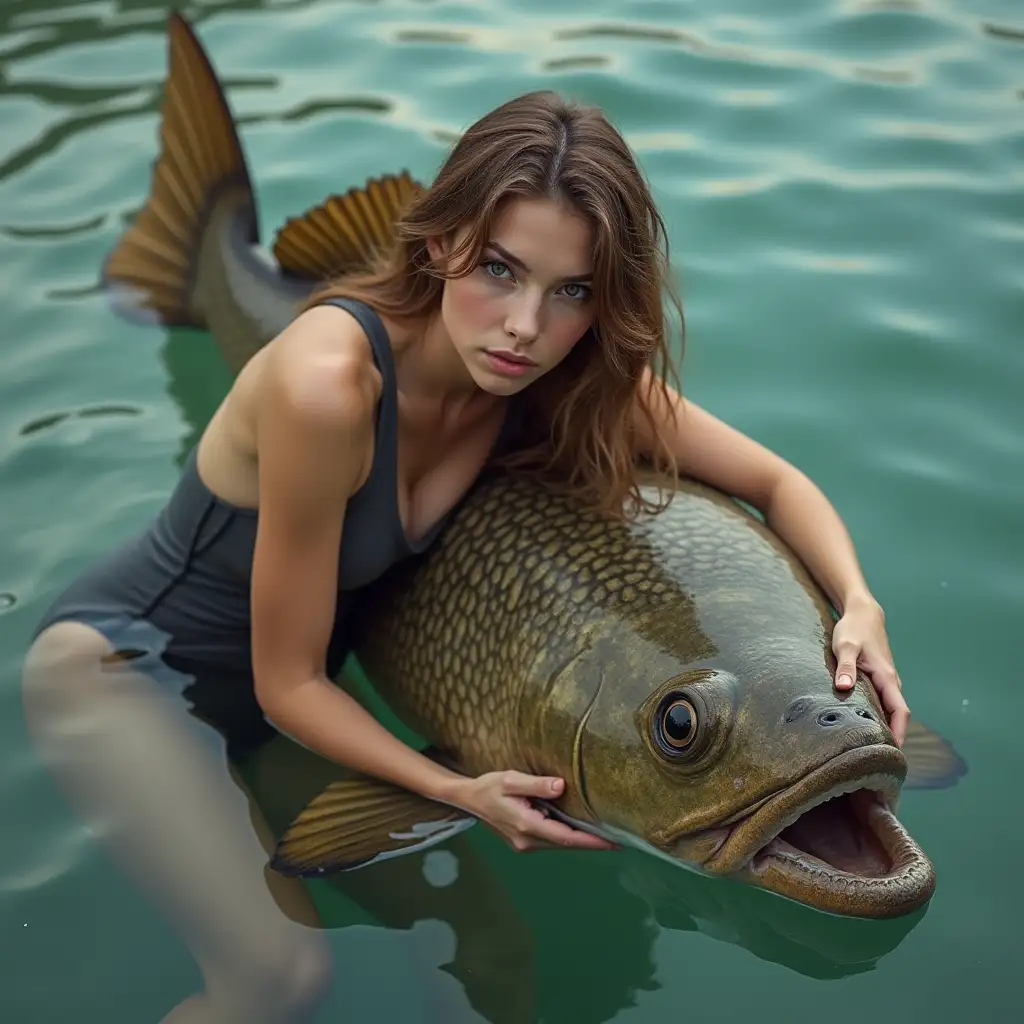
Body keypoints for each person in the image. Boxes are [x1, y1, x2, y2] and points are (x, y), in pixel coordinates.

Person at [20, 33, 909, 1024]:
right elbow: (288, 680)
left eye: (570, 289)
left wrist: (856, 607)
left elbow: (777, 481)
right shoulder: (327, 384)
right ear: (439, 242)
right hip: (133, 669)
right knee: (276, 980)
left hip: (290, 701)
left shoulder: (552, 371)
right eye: (499, 268)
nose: (524, 324)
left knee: (492, 952)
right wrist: (463, 792)